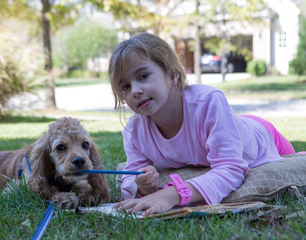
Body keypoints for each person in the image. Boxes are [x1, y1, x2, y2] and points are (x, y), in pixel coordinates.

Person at [108, 32, 297, 216]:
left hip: (262, 135)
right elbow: (132, 175)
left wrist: (173, 194)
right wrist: (142, 184)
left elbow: (230, 168)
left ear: (172, 74)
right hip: (231, 125)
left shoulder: (208, 102)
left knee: (297, 163)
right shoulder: (134, 130)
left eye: (143, 76)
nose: (135, 90)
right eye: (125, 86)